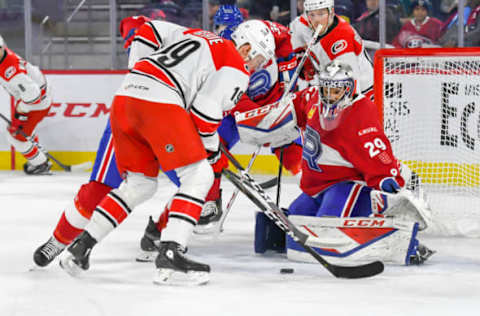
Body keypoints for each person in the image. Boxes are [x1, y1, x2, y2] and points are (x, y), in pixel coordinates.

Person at [57, 20, 275, 286]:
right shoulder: (235, 65)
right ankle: (171, 250)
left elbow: (149, 30)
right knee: (199, 176)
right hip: (158, 104)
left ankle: (82, 246)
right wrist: (213, 153)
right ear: (247, 47)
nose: (257, 68)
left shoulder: (197, 35)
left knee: (140, 184)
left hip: (125, 98)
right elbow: (204, 117)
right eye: (260, 60)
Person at [32, 15, 182, 268]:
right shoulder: (147, 29)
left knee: (197, 184)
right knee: (99, 189)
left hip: (174, 122)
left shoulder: (191, 41)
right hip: (132, 116)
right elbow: (132, 26)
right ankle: (59, 240)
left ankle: (157, 235)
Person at [282, 60, 434, 265]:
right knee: (294, 220)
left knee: (328, 224)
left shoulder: (360, 112)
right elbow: (292, 108)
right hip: (317, 186)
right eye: (326, 90)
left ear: (350, 89)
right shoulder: (313, 100)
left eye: (336, 91)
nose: (330, 96)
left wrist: (386, 178)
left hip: (346, 184)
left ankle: (394, 233)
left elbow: (376, 151)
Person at [289, 0, 375, 100]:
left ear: (331, 12)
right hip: (330, 86)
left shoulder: (342, 39)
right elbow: (291, 41)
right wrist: (301, 61)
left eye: (321, 14)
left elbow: (351, 88)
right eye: (312, 14)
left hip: (365, 93)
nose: (317, 20)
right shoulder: (302, 24)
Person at [0, 35, 53, 175]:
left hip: (36, 103)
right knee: (21, 131)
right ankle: (39, 153)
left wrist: (22, 108)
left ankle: (40, 163)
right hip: (35, 97)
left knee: (15, 136)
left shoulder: (12, 72)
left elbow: (33, 95)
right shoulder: (4, 56)